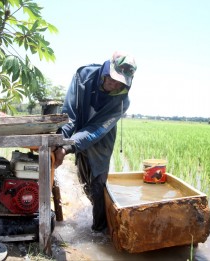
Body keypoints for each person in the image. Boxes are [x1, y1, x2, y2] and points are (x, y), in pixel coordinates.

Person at [53, 51, 137, 232]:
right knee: (83, 178)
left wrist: (67, 147)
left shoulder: (122, 100)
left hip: (101, 138)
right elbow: (70, 114)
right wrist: (58, 141)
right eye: (112, 78)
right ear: (107, 69)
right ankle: (93, 209)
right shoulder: (83, 76)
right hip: (78, 129)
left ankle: (100, 230)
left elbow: (96, 130)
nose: (114, 84)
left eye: (120, 83)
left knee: (98, 182)